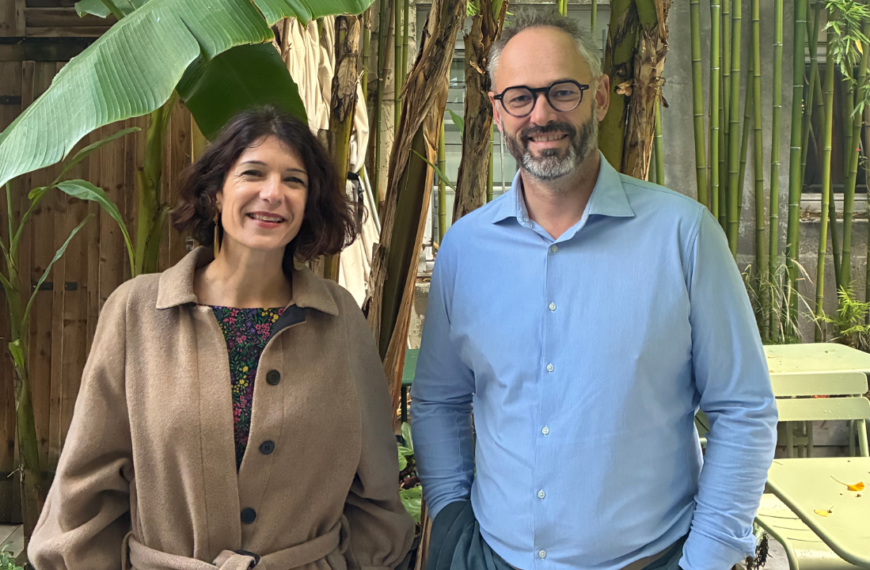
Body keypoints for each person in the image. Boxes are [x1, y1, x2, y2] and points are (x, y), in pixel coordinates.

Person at [411, 11, 777, 570]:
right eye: (520, 98)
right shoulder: (466, 248)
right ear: (496, 110)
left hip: (649, 559)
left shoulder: (683, 234)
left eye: (563, 91)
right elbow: (439, 400)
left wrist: (706, 559)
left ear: (600, 96)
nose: (541, 115)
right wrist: (452, 515)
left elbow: (743, 409)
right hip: (493, 557)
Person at [28, 108, 415, 570]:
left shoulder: (340, 319)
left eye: (294, 181)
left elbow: (376, 489)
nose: (273, 194)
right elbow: (85, 489)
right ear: (214, 194)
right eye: (253, 173)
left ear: (308, 203)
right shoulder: (136, 312)